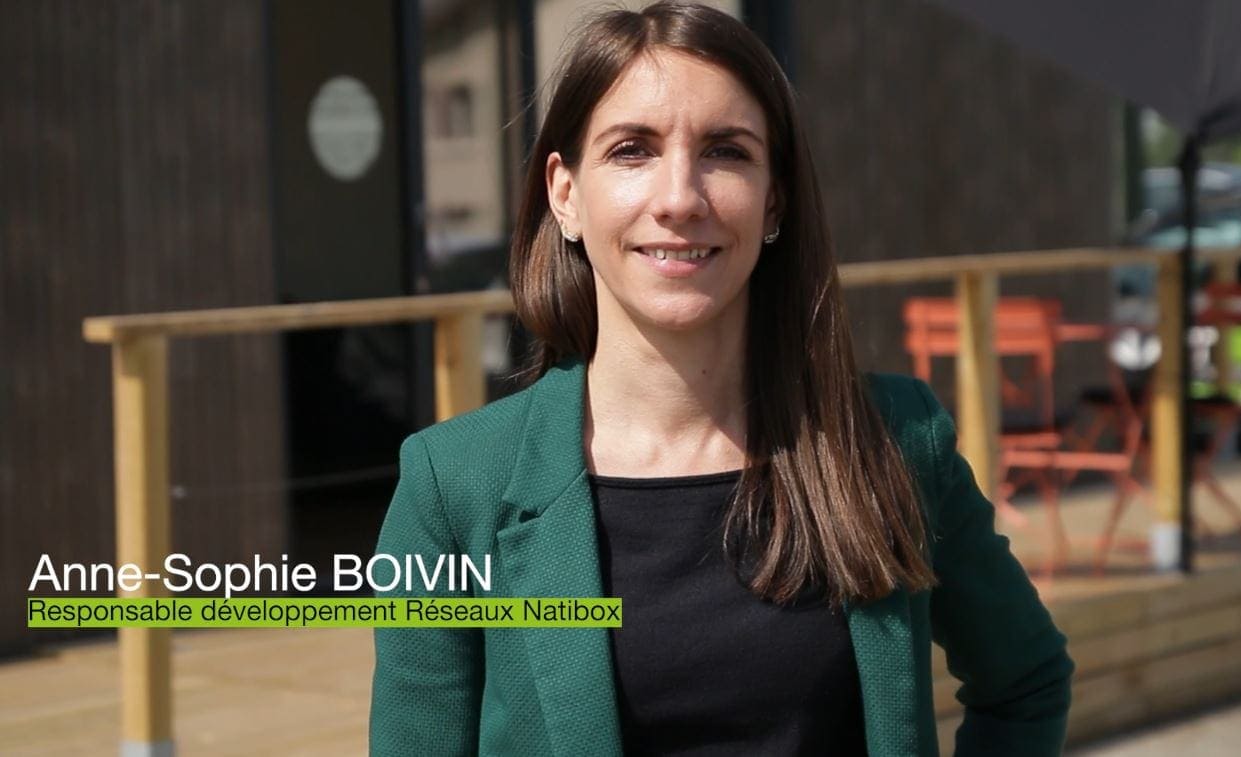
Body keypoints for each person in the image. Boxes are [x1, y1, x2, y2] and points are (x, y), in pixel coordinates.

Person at [369, 3, 1073, 755]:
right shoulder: (453, 486)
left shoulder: (894, 439)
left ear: (774, 199)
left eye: (725, 152)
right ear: (565, 194)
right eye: (632, 150)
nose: (679, 198)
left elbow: (1025, 682)